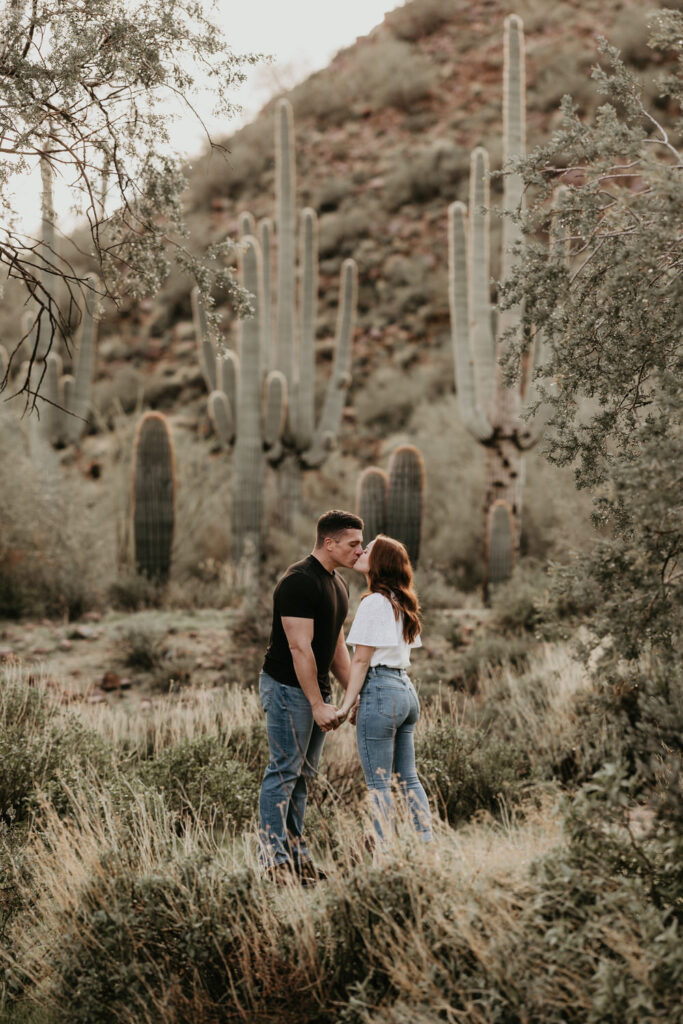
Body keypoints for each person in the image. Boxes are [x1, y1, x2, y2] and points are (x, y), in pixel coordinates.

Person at [258, 509, 364, 885]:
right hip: (288, 688)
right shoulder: (299, 581)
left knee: (302, 776)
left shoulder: (339, 584)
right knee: (283, 772)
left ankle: (298, 861)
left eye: (361, 544)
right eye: (353, 544)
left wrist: (354, 696)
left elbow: (335, 643)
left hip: (316, 690)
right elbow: (299, 648)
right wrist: (317, 703)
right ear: (329, 542)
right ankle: (273, 864)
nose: (359, 551)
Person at [336, 534, 432, 846]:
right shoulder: (399, 600)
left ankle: (384, 855)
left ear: (381, 563)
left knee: (378, 783)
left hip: (380, 690)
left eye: (370, 549)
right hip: (405, 691)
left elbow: (362, 659)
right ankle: (426, 844)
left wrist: (349, 702)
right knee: (408, 778)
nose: (361, 551)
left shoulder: (374, 602)